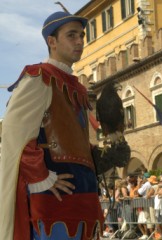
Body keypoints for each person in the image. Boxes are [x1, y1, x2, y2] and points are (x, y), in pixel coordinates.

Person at [0, 10, 131, 240]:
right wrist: (42, 178)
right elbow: (13, 134)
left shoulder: (76, 89)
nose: (80, 41)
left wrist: (101, 158)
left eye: (81, 35)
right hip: (54, 205)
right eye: (71, 35)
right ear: (52, 41)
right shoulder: (38, 77)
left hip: (83, 199)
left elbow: (70, 142)